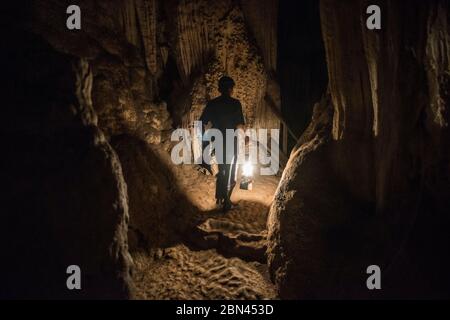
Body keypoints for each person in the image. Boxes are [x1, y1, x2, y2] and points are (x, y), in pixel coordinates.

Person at [199, 76, 245, 212]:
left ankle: (221, 198)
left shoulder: (212, 104)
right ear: (231, 89)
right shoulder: (235, 103)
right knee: (230, 172)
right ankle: (226, 201)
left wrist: (206, 141)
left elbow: (202, 122)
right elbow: (240, 124)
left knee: (223, 170)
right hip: (232, 140)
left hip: (218, 140)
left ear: (220, 88)